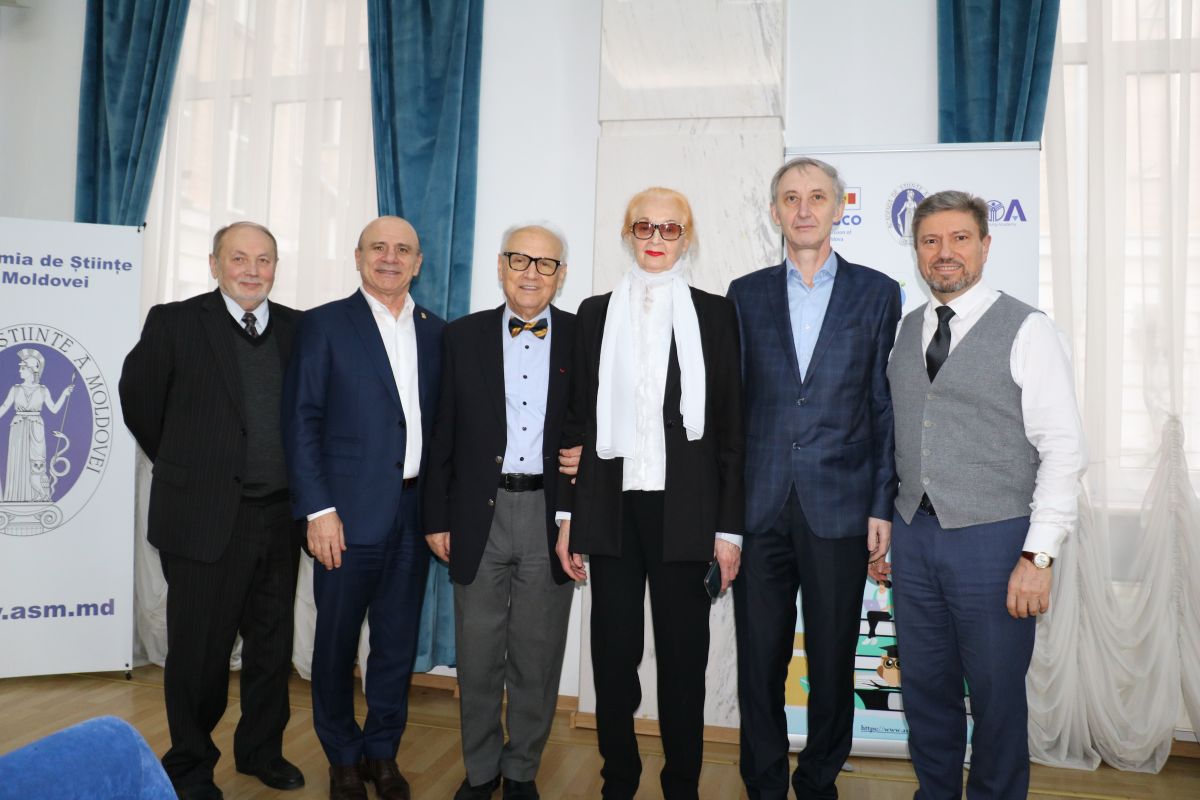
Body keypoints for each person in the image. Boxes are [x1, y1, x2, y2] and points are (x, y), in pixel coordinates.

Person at [885, 190, 1085, 799]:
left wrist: (1038, 556)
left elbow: (1063, 449)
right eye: (930, 241)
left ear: (985, 246)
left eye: (959, 238)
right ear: (917, 251)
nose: (944, 252)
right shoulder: (907, 328)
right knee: (926, 691)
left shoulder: (1028, 328)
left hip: (996, 541)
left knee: (997, 698)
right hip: (914, 537)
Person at [555, 187, 744, 800]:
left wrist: (729, 531)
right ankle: (619, 779)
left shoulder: (716, 315)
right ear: (628, 234)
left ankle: (681, 784)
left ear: (687, 238)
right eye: (644, 227)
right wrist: (566, 516)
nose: (656, 238)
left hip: (686, 510)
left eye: (670, 228)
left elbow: (731, 429)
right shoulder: (593, 313)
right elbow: (578, 420)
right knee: (613, 658)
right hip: (609, 507)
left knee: (685, 661)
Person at [727, 156, 901, 799]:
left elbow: (884, 406)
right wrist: (725, 517)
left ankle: (819, 779)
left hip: (841, 506)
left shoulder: (878, 292)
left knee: (831, 661)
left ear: (838, 207)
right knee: (759, 661)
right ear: (775, 211)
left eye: (817, 197)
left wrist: (881, 503)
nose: (804, 209)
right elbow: (731, 410)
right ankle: (764, 783)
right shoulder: (744, 294)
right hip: (759, 507)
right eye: (791, 198)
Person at [119, 221, 305, 800]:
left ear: (276, 268)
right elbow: (139, 403)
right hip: (202, 518)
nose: (252, 270)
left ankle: (261, 752)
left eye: (264, 259)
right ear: (214, 263)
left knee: (271, 649)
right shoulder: (174, 322)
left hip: (279, 516)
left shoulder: (299, 329)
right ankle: (190, 766)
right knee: (199, 653)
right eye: (239, 258)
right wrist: (190, 467)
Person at [282, 215, 444, 800]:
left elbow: (446, 429)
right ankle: (343, 757)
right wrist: (318, 510)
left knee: (396, 647)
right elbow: (301, 420)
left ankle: (382, 752)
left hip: (414, 516)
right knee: (336, 644)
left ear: (418, 263)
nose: (390, 258)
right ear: (358, 256)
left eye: (403, 249)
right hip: (344, 518)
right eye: (378, 247)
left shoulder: (436, 332)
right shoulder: (324, 324)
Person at [423, 223, 575, 800]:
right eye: (520, 260)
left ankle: (522, 772)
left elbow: (594, 424)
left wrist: (581, 503)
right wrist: (436, 517)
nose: (531, 273)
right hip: (476, 514)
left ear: (561, 275)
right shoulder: (460, 336)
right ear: (500, 265)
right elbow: (441, 431)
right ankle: (481, 770)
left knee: (537, 655)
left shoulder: (583, 336)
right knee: (478, 654)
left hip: (548, 516)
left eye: (545, 263)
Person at [1, 349, 73, 502]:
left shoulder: (42, 390)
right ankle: (16, 497)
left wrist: (64, 394)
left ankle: (38, 496)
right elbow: (4, 407)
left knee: (37, 463)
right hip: (18, 426)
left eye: (23, 368)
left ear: (32, 370)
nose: (19, 371)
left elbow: (54, 410)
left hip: (36, 428)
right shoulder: (15, 389)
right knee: (18, 461)